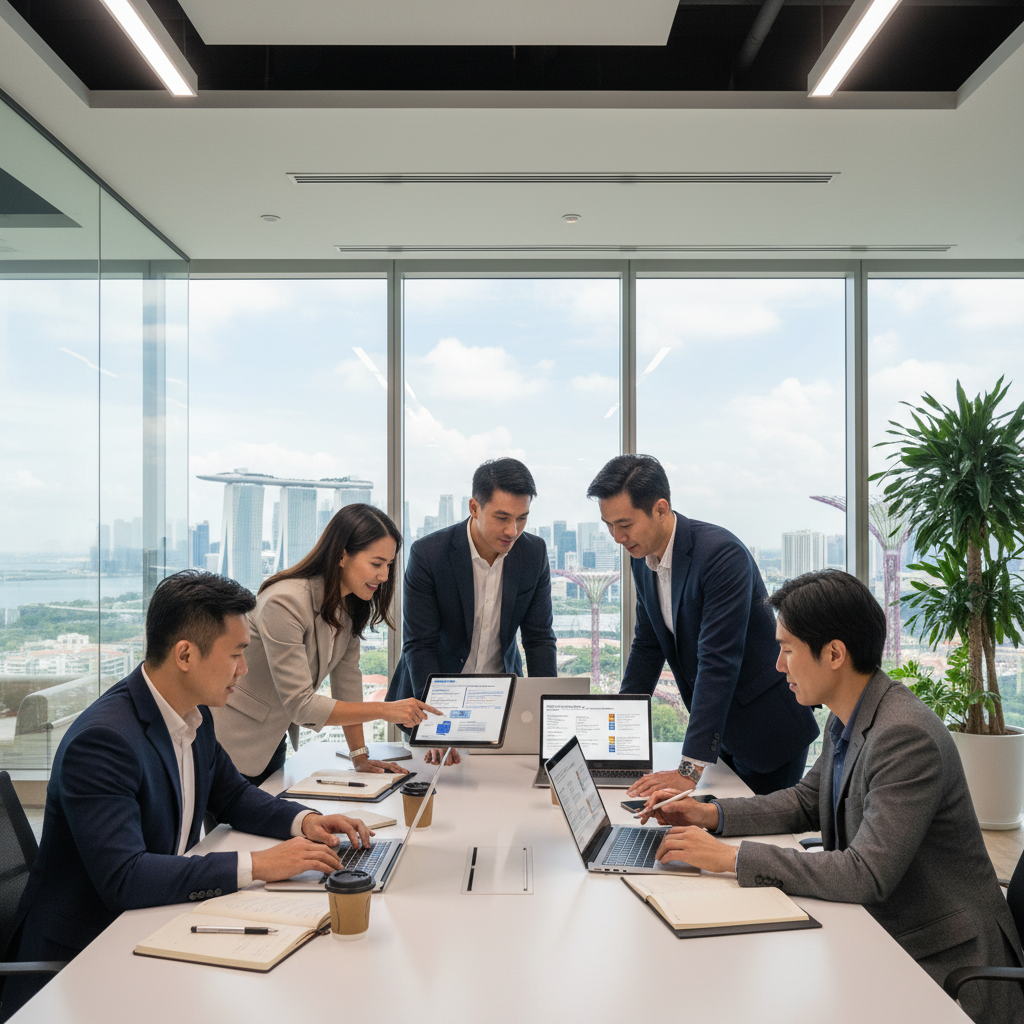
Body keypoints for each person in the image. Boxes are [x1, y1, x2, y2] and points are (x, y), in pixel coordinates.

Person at [639, 570, 1024, 1024]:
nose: (778, 666)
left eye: (786, 650)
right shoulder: (850, 716)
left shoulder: (904, 736)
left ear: (835, 653)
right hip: (884, 931)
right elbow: (805, 800)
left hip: (946, 961)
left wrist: (729, 858)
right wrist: (707, 814)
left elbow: (866, 874)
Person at [2, 571, 375, 1021]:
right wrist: (259, 865)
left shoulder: (193, 716)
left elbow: (234, 796)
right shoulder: (104, 742)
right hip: (84, 963)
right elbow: (125, 878)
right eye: (237, 653)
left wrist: (304, 821)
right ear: (185, 654)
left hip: (154, 926)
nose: (245, 668)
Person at [587, 454, 818, 796]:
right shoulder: (642, 559)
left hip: (767, 733)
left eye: (625, 524)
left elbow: (718, 661)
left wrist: (688, 768)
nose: (617, 537)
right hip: (718, 735)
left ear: (660, 509)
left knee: (755, 842)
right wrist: (618, 734)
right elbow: (648, 647)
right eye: (608, 526)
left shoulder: (721, 555)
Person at [213, 503, 440, 785]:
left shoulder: (348, 605)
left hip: (271, 743)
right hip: (228, 744)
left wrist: (360, 756)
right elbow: (301, 705)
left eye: (389, 565)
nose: (384, 576)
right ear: (342, 555)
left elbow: (347, 683)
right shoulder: (285, 602)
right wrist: (385, 709)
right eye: (376, 563)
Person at [387, 458, 557, 765]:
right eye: (502, 517)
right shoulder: (429, 554)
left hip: (499, 706)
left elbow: (540, 639)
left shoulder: (533, 553)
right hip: (430, 705)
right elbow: (419, 645)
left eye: (522, 518)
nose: (512, 530)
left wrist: (553, 720)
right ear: (474, 508)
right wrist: (438, 726)